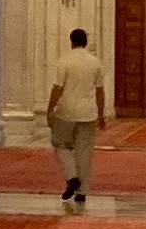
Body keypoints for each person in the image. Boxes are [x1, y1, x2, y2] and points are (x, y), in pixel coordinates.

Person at [45, 28, 107, 212]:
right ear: (85, 42)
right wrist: (101, 113)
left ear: (71, 41)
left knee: (60, 144)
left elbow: (58, 87)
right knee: (84, 152)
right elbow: (100, 90)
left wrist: (50, 109)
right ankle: (82, 192)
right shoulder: (95, 62)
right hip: (88, 113)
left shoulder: (64, 61)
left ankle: (72, 177)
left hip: (66, 111)